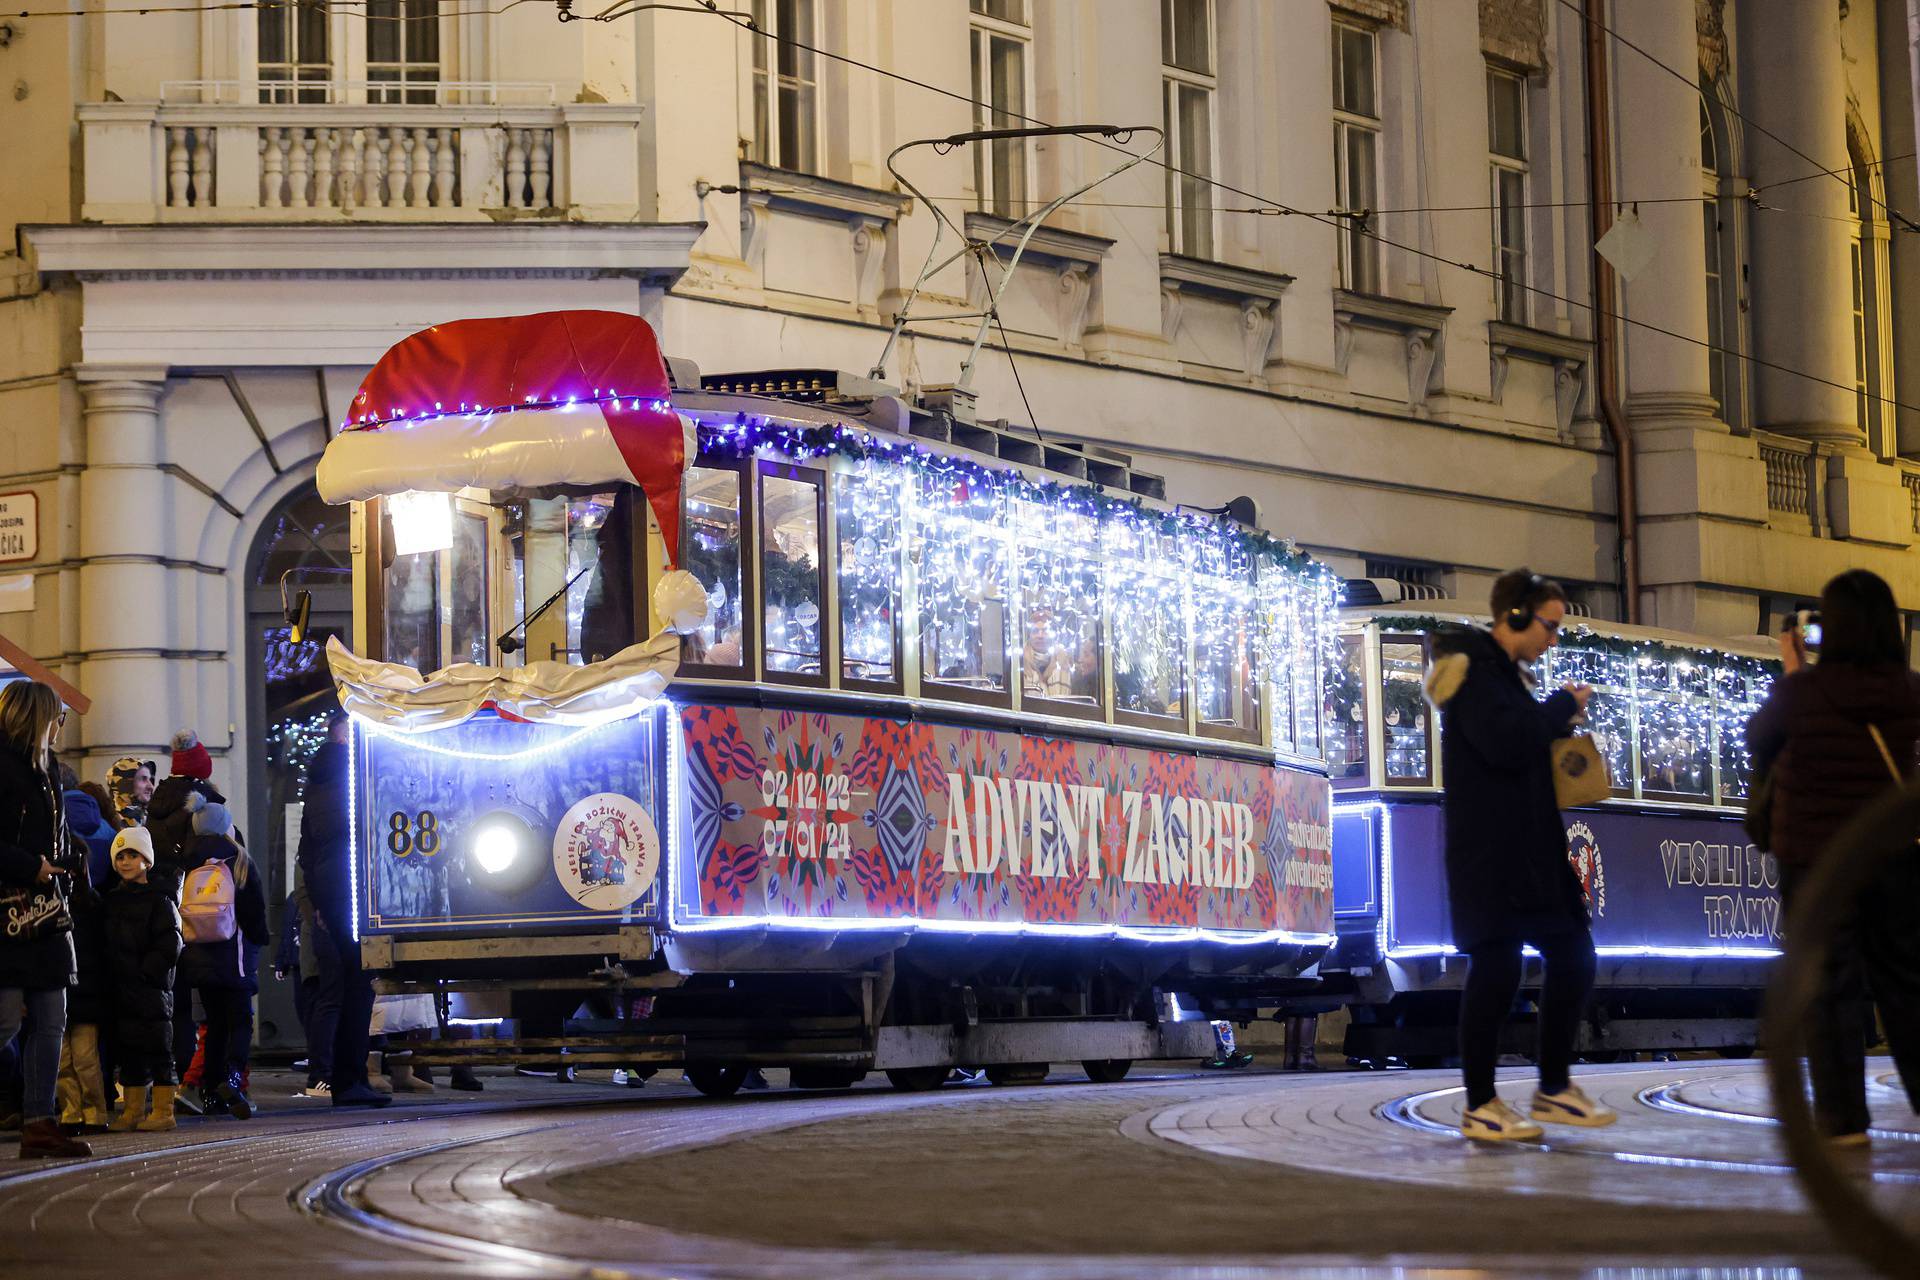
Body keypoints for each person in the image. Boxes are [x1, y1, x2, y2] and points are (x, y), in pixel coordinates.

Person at [1423, 569, 1609, 1142]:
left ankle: (1553, 1087)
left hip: (1532, 853)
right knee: (1497, 972)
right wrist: (1556, 710)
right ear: (1518, 617)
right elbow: (1505, 743)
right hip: (1491, 856)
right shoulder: (1474, 676)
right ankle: (1481, 1102)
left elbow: (1522, 739)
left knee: (1574, 953)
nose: (1553, 638)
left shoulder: (1508, 678)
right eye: (1549, 625)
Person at [1746, 569, 1920, 1147]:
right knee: (1903, 983)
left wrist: (1794, 669)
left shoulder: (1805, 693)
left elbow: (1761, 738)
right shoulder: (1908, 690)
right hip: (1889, 855)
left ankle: (1844, 1120)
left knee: (1830, 987)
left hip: (1815, 864)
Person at [0, 679, 91, 1157]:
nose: (61, 726)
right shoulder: (6, 767)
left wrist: (68, 859)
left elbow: (52, 834)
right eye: (57, 717)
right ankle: (35, 1118)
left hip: (46, 910)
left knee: (52, 1018)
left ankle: (40, 1120)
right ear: (35, 718)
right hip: (10, 913)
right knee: (6, 1023)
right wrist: (30, 864)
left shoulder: (49, 768)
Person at [298, 711, 389, 1109]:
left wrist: (318, 900)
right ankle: (349, 1080)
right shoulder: (348, 776)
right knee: (356, 986)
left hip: (333, 891)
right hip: (353, 889)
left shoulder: (318, 780)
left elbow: (308, 848)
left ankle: (345, 1078)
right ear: (342, 736)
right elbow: (358, 834)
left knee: (347, 984)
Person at [176, 802, 268, 1120]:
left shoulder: (188, 861)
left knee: (213, 1025)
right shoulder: (238, 858)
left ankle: (210, 1090)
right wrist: (260, 938)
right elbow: (254, 910)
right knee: (240, 1020)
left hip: (199, 957)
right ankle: (231, 1079)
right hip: (234, 955)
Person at [103, 826, 183, 1132]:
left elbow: (169, 944)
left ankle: (164, 1110)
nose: (125, 861)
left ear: (146, 860)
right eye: (120, 856)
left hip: (151, 990)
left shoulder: (160, 900)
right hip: (123, 989)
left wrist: (146, 974)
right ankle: (134, 1110)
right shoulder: (113, 901)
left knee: (159, 1048)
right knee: (130, 1052)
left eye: (132, 854)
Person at [105, 757, 154, 829]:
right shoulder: (105, 824)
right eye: (143, 779)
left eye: (150, 779)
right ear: (125, 784)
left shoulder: (153, 820)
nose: (151, 786)